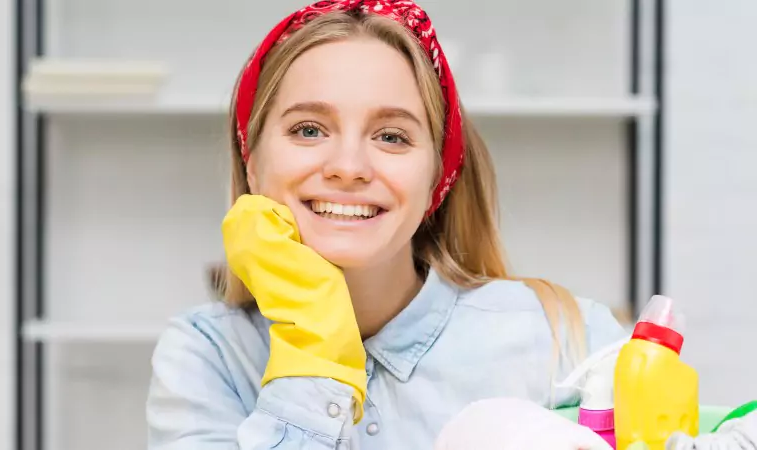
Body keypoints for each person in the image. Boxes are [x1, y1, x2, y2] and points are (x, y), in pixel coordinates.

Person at [146, 1, 629, 449]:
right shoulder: (207, 356)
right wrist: (313, 346)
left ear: (438, 175)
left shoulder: (570, 341)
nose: (349, 165)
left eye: (392, 136)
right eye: (309, 129)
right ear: (253, 161)